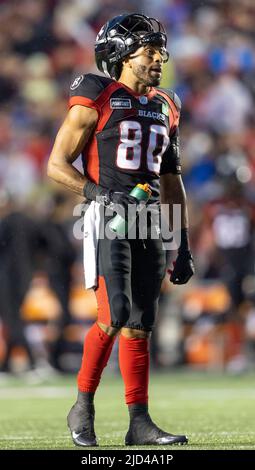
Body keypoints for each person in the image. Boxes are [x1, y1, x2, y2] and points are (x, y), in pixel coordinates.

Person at [47, 13, 194, 447]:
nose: (158, 59)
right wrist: (96, 193)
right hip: (107, 215)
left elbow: (171, 182)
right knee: (113, 313)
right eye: (149, 51)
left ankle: (139, 422)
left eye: (159, 52)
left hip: (149, 219)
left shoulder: (167, 104)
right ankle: (83, 406)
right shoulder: (97, 93)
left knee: (140, 322)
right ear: (123, 56)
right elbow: (56, 165)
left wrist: (180, 241)